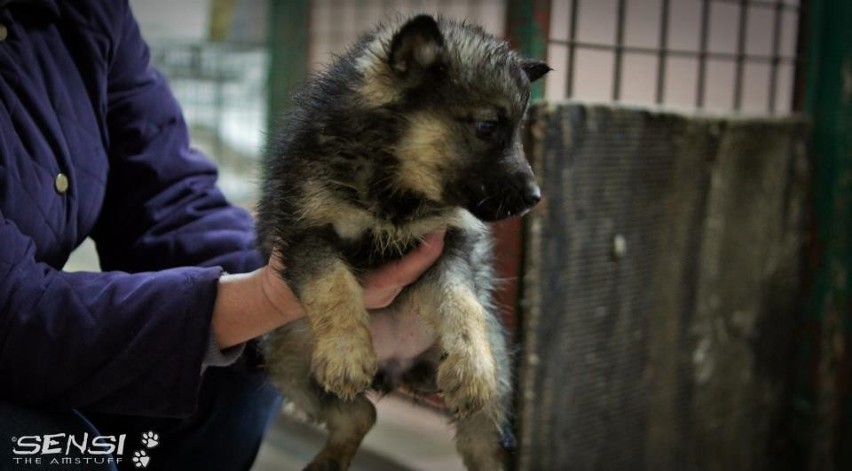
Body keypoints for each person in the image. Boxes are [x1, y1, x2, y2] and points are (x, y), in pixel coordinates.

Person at [0, 0, 443, 469]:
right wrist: (269, 298)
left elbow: (167, 200)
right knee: (62, 453)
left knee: (238, 367)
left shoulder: (84, 15)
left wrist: (322, 291)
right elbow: (12, 313)